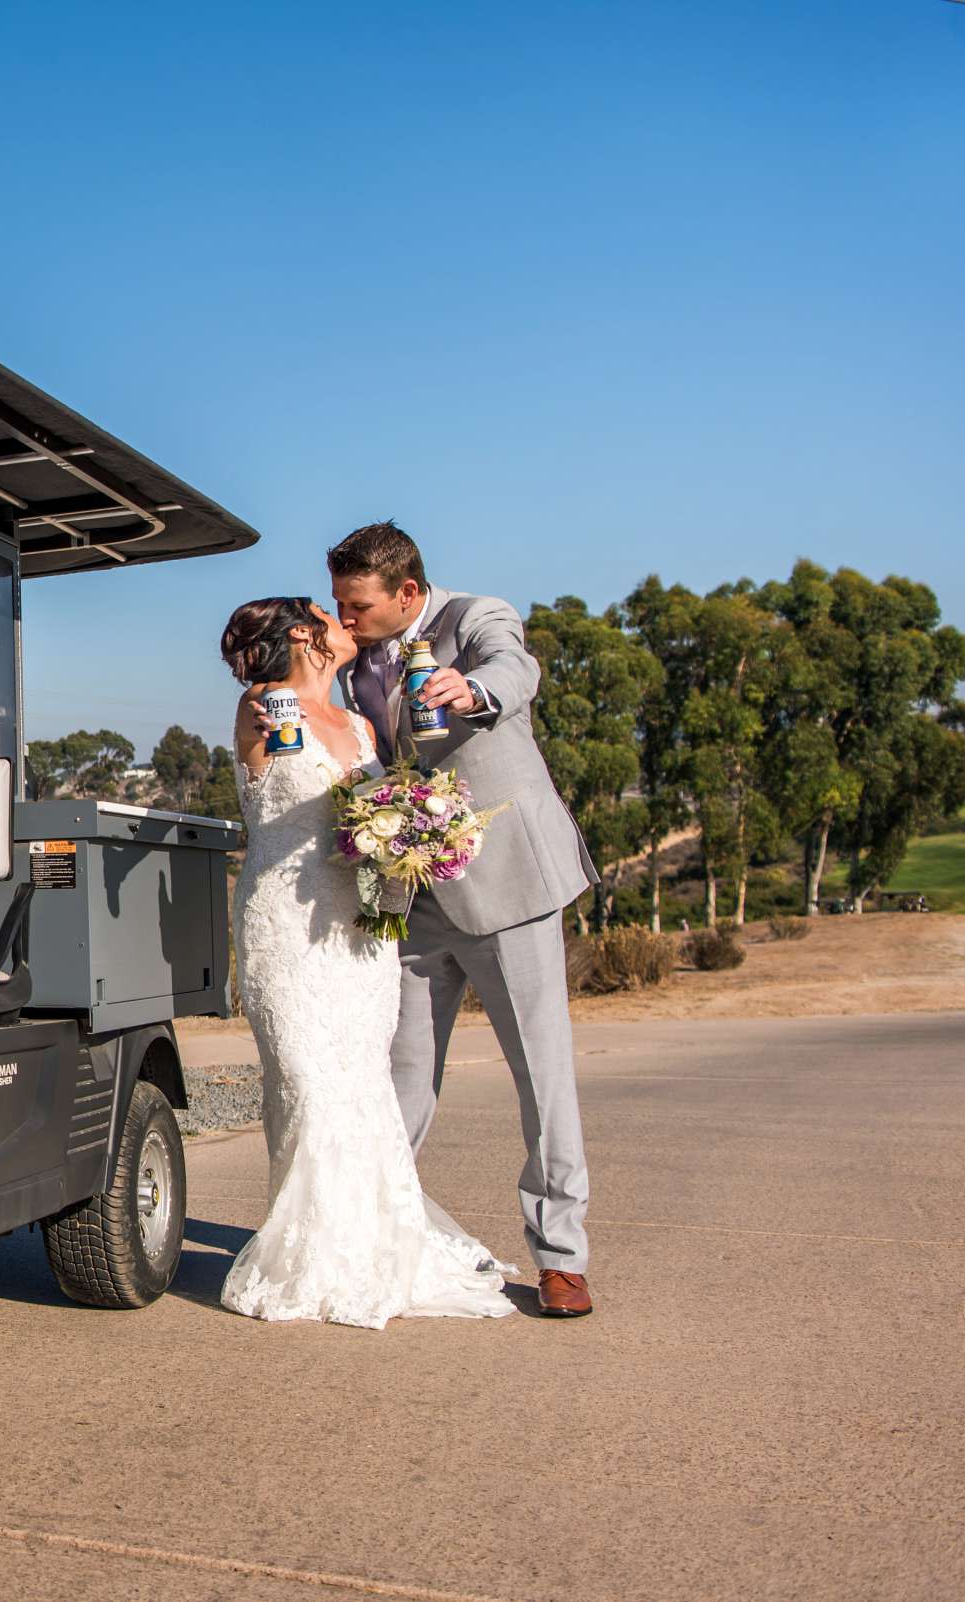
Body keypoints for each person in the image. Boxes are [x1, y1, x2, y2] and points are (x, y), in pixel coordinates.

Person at [217, 595, 514, 1327]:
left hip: (365, 925)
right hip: (287, 926)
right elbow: (282, 776)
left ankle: (370, 1245)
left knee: (362, 1090)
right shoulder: (266, 702)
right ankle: (313, 1257)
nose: (345, 621)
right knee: (310, 1087)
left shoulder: (356, 722)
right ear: (301, 634)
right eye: (330, 613)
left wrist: (414, 830)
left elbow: (374, 809)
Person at [328, 520, 598, 1317]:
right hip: (411, 902)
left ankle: (561, 1258)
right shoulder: (354, 661)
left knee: (541, 1079)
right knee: (399, 1081)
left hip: (506, 890)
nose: (346, 619)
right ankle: (379, 1236)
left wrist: (473, 689)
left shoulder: (476, 619)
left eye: (358, 605)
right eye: (340, 605)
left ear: (408, 593)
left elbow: (517, 665)